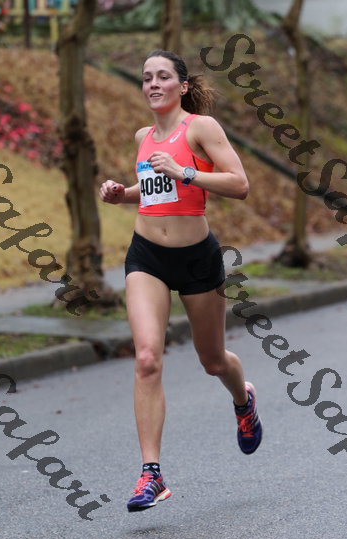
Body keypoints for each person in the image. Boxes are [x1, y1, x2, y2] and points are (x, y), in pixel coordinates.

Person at [99, 49, 262, 513]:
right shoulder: (143, 136)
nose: (153, 84)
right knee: (147, 358)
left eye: (162, 76)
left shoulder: (200, 129)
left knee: (213, 360)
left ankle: (243, 400)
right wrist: (121, 195)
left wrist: (187, 170)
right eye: (146, 77)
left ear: (182, 86)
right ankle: (151, 474)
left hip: (196, 260)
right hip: (146, 256)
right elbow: (155, 191)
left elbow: (239, 183)